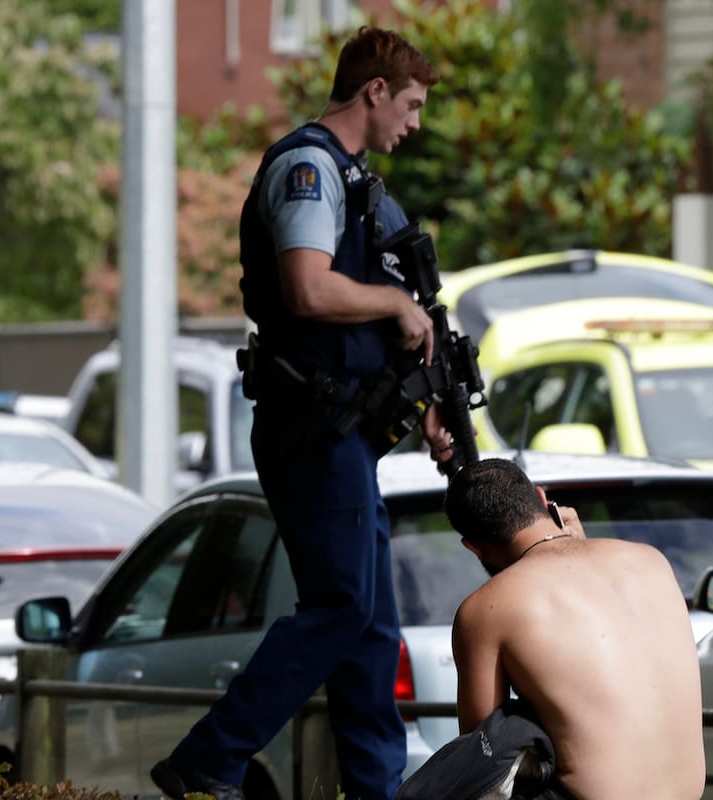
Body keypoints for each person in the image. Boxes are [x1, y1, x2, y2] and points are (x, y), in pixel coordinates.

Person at [151, 27, 452, 800]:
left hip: (342, 431)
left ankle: (373, 789)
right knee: (344, 606)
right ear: (374, 91)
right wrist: (391, 302)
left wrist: (425, 396)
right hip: (311, 427)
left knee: (371, 628)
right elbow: (308, 291)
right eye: (411, 104)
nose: (415, 125)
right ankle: (209, 758)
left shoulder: (355, 182)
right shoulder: (310, 168)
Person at [406, 458, 706, 800]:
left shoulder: (486, 609)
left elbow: (485, 757)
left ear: (473, 547)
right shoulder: (651, 560)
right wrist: (577, 543)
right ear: (540, 496)